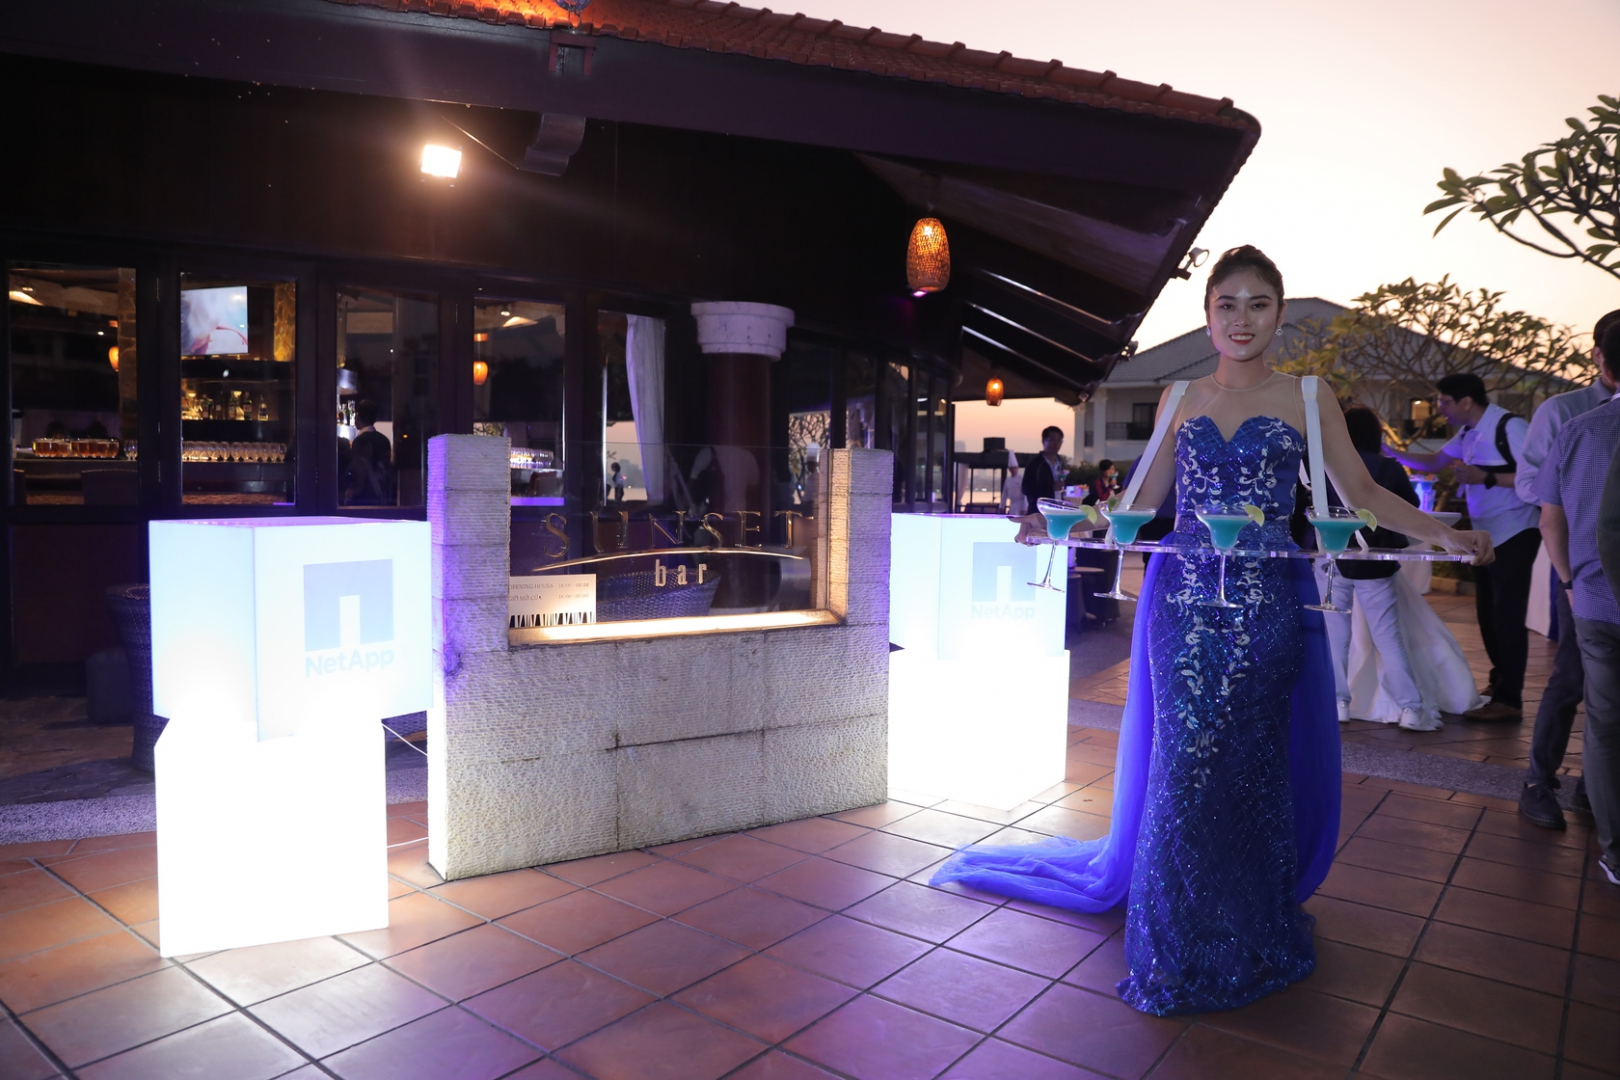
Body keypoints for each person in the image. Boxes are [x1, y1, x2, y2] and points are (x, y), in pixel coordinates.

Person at [932, 246, 1492, 1015]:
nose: (1241, 318)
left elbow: (1360, 491)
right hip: (1184, 604)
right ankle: (1176, 940)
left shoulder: (1307, 396)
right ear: (1207, 316)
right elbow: (1136, 505)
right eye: (1227, 303)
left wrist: (1446, 533)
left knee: (1250, 765)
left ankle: (1248, 924)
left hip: (1268, 602)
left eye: (1258, 304)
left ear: (1279, 315)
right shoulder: (1180, 396)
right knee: (1185, 763)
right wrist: (1056, 521)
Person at [1386, 373, 1540, 721]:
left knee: (1507, 615)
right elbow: (1433, 462)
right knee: (1488, 613)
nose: (1439, 408)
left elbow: (1537, 477)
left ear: (1466, 401)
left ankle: (1510, 700)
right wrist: (1388, 452)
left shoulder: (1509, 427)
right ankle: (1500, 684)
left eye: (1444, 401)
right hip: (1484, 534)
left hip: (1516, 530)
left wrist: (1485, 477)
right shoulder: (1469, 432)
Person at [1517, 309, 1620, 828]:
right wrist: (1568, 578)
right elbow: (1533, 488)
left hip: (1586, 576)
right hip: (1580, 573)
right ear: (1596, 354)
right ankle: (1539, 780)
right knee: (1570, 679)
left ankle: (1596, 789)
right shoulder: (1565, 412)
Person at [1318, 406, 1432, 729]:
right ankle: (1410, 709)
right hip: (1376, 560)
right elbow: (1410, 506)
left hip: (1332, 557)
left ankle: (1338, 704)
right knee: (1389, 638)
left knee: (1335, 638)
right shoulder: (1389, 468)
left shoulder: (1326, 466)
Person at [347, 400, 392, 506]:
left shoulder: (359, 441)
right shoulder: (384, 440)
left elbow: (359, 474)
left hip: (364, 498)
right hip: (383, 496)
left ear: (357, 417)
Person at [1020, 425, 1064, 510]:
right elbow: (1026, 489)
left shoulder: (1060, 462)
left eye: (1059, 440)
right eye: (1052, 440)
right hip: (1040, 511)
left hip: (1058, 510)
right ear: (1043, 441)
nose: (1056, 443)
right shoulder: (1035, 464)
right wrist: (1050, 487)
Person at [1001, 451, 1026, 515]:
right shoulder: (1008, 480)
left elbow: (1025, 495)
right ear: (1009, 469)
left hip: (1021, 506)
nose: (1013, 470)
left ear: (1017, 468)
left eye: (1015, 468)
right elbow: (1004, 495)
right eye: (1011, 468)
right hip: (1012, 505)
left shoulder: (1021, 479)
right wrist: (1001, 507)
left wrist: (1024, 508)